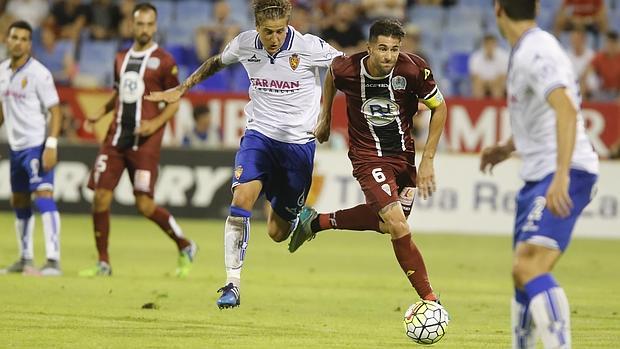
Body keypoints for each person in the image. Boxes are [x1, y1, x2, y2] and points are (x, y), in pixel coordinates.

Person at [146, 0, 342, 309]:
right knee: (240, 201)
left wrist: (326, 116)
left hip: (297, 146)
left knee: (277, 232)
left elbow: (341, 68)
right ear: (257, 26)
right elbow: (215, 62)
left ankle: (299, 219)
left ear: (288, 22)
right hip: (258, 139)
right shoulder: (245, 43)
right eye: (267, 32)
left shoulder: (309, 46)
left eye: (279, 31)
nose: (274, 38)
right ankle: (232, 284)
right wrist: (183, 88)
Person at [288, 19, 447, 305]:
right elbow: (332, 77)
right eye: (383, 48)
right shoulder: (348, 68)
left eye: (395, 49)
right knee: (398, 225)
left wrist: (428, 160)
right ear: (369, 47)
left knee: (389, 224)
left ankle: (317, 222)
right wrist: (325, 118)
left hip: (404, 158)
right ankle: (430, 300)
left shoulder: (413, 70)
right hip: (368, 157)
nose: (389, 56)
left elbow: (440, 107)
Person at [480, 1, 599, 348]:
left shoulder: (537, 50)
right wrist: (507, 147)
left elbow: (565, 107)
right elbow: (540, 115)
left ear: (498, 9)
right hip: (539, 172)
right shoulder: (525, 50)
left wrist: (561, 175)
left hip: (563, 169)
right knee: (522, 273)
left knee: (529, 267)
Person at [79, 3, 197, 278]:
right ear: (132, 26)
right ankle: (103, 262)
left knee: (144, 205)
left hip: (146, 142)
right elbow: (119, 93)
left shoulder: (165, 61)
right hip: (116, 137)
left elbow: (174, 101)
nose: (144, 29)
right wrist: (101, 111)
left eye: (149, 24)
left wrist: (154, 124)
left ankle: (185, 244)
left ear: (155, 26)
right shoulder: (120, 57)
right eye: (139, 24)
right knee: (100, 198)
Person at [0, 20, 63, 276]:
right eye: (15, 37)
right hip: (15, 149)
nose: (19, 42)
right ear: (7, 39)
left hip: (36, 145)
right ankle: (25, 258)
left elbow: (56, 112)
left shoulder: (40, 74)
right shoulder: (2, 70)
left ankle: (52, 260)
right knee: (19, 200)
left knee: (44, 197)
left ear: (29, 43)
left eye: (24, 39)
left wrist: (51, 145)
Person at [469, 34, 509, 99]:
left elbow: (503, 76)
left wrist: (492, 83)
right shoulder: (475, 57)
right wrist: (486, 83)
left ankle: (497, 107)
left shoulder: (504, 56)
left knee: (497, 88)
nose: (489, 47)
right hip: (482, 83)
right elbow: (475, 77)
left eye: (491, 44)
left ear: (495, 44)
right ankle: (478, 107)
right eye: (487, 44)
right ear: (483, 45)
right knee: (477, 86)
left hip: (497, 84)